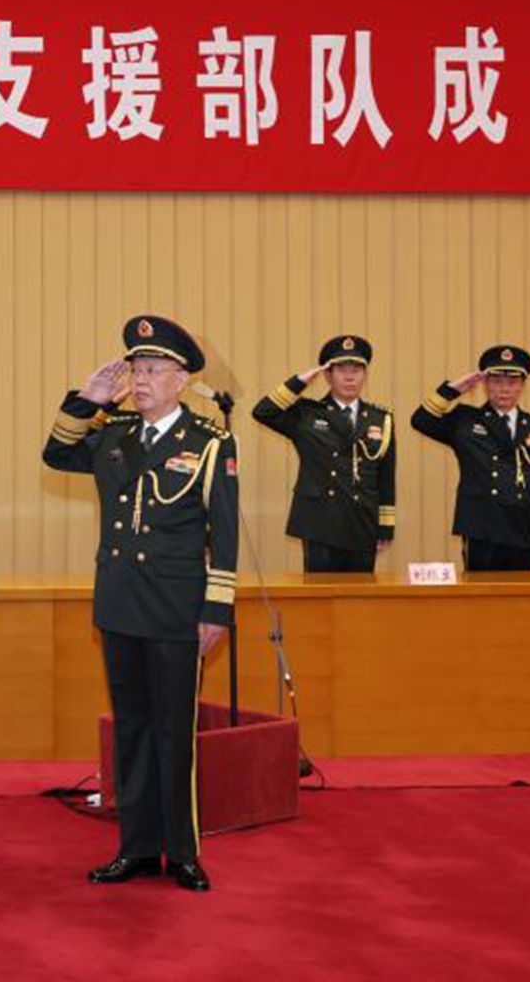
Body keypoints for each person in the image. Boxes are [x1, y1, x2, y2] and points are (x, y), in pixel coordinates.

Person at [43, 315, 238, 893]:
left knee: (173, 734)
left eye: (154, 369)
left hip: (179, 608)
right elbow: (56, 453)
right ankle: (136, 847)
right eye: (136, 368)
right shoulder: (114, 432)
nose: (143, 378)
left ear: (182, 379)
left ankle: (182, 851)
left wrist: (216, 610)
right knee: (130, 730)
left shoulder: (209, 443)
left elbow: (223, 532)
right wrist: (87, 400)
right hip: (120, 602)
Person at [251, 335, 396, 572]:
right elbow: (263, 412)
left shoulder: (381, 418)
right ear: (328, 375)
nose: (350, 377)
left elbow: (386, 475)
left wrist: (386, 526)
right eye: (341, 370)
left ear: (365, 375)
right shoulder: (306, 414)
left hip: (362, 520)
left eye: (357, 370)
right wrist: (300, 382)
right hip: (320, 521)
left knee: (360, 598)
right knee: (319, 596)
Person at [410, 344, 530, 571]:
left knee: (521, 600)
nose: (504, 389)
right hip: (482, 525)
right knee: (480, 597)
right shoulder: (465, 420)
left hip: (524, 525)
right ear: (485, 384)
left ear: (522, 385)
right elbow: (421, 421)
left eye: (512, 382)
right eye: (497, 381)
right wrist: (452, 391)